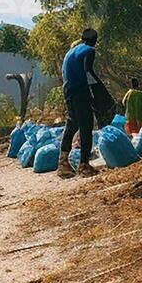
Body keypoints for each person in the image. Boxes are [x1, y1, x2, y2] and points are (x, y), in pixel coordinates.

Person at [58, 28, 100, 179]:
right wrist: (99, 89)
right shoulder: (89, 50)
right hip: (80, 91)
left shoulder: (71, 51)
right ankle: (84, 165)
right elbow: (88, 71)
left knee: (72, 123)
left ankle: (63, 164)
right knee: (86, 126)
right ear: (95, 40)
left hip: (68, 90)